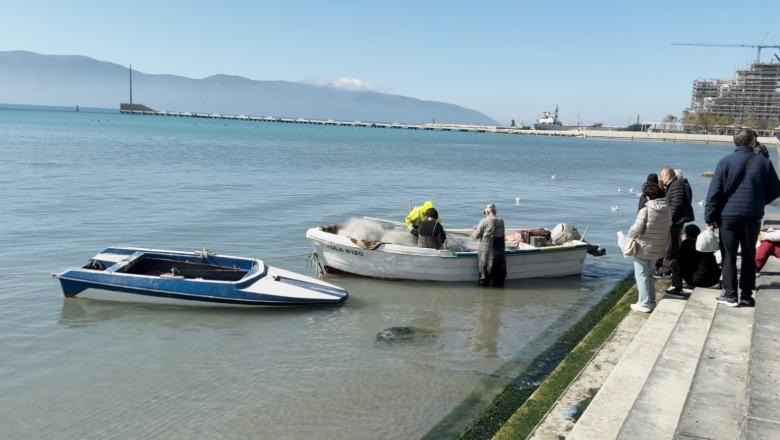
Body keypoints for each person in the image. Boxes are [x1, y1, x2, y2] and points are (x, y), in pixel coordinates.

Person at [705, 128, 780, 307]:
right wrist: (758, 201)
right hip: (752, 216)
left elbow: (714, 194)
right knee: (748, 255)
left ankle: (730, 294)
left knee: (729, 255)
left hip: (728, 217)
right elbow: (776, 189)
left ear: (735, 143)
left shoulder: (725, 162)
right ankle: (746, 295)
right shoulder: (764, 162)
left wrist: (710, 217)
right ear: (752, 141)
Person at [628, 183, 672, 313]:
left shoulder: (646, 210)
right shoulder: (667, 209)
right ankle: (651, 301)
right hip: (658, 248)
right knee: (650, 274)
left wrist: (629, 235)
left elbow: (636, 229)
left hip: (643, 247)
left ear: (648, 197)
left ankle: (644, 303)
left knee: (641, 275)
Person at [658, 167, 695, 297]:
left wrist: (669, 220)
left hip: (675, 222)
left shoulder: (676, 185)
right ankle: (676, 282)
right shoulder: (674, 185)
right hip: (675, 222)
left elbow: (676, 204)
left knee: (673, 250)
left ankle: (677, 286)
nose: (661, 178)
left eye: (662, 176)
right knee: (673, 249)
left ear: (668, 175)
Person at [472, 203, 506, 287]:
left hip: (487, 250)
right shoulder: (501, 221)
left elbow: (476, 236)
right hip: (499, 251)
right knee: (498, 279)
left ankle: (485, 292)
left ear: (488, 211)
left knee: (484, 275)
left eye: (485, 212)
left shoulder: (484, 221)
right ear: (495, 211)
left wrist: (475, 229)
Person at [678, 224, 721, 288]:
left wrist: (683, 241)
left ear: (686, 234)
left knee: (677, 262)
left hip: (695, 280)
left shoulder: (685, 244)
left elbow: (681, 262)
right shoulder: (704, 243)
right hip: (714, 279)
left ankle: (677, 287)